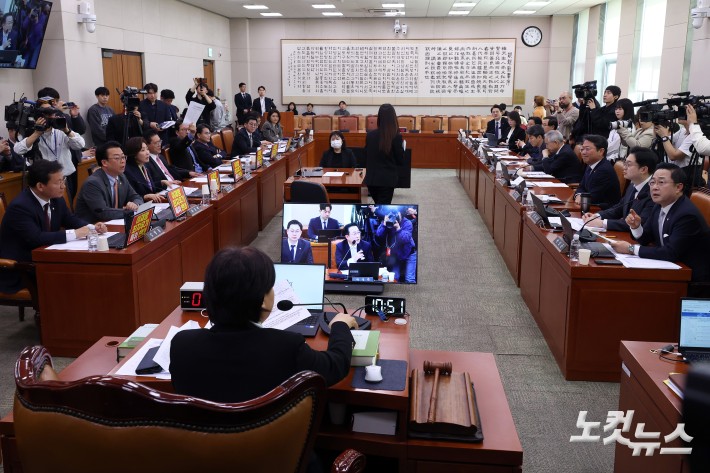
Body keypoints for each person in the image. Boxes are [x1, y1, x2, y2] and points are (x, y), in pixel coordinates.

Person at [170, 246, 357, 403]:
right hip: (276, 438)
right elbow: (335, 366)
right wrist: (340, 326)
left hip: (205, 436)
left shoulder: (182, 344)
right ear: (263, 300)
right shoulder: (287, 347)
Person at [0, 160, 106, 293]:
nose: (63, 186)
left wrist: (92, 227)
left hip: (45, 259)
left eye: (63, 180)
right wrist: (75, 233)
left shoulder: (56, 198)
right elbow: (36, 238)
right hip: (22, 269)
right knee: (76, 276)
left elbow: (69, 219)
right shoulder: (20, 207)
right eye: (58, 182)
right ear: (40, 186)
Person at [610, 163, 710, 282]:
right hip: (669, 269)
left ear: (678, 187)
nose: (654, 187)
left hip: (690, 279)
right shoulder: (659, 205)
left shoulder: (686, 215)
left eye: (661, 182)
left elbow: (670, 252)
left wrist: (631, 249)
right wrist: (636, 227)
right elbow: (646, 238)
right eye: (652, 182)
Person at [13, 108, 85, 200]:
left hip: (65, 178)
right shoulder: (31, 132)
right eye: (48, 118)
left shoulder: (61, 130)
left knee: (66, 205)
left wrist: (67, 130)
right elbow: (18, 150)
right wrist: (37, 133)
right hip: (45, 181)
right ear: (38, 119)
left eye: (53, 117)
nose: (51, 120)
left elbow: (80, 145)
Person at [583, 147, 656, 232]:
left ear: (643, 169)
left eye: (628, 164)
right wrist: (597, 216)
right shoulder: (633, 184)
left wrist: (602, 223)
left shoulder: (653, 192)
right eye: (625, 163)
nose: (624, 167)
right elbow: (619, 208)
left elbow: (639, 224)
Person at [74, 141, 143, 223]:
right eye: (117, 158)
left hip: (114, 223)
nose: (123, 161)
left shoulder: (121, 177)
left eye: (123, 157)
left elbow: (137, 197)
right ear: (104, 162)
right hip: (93, 227)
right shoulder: (92, 183)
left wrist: (135, 205)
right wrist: (129, 211)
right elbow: (103, 212)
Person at [364, 103, 404, 204]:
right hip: (387, 180)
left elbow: (366, 155)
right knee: (383, 207)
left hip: (372, 179)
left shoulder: (370, 135)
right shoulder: (396, 136)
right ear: (393, 118)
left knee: (378, 205)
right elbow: (400, 160)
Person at [654, 114, 705, 188]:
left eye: (684, 112)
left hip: (689, 179)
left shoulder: (695, 136)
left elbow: (673, 156)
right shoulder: (683, 130)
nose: (680, 115)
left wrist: (664, 137)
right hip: (678, 174)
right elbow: (668, 141)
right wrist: (659, 126)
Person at [573, 134, 621, 210]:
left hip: (602, 210)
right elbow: (581, 187)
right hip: (590, 207)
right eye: (582, 149)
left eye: (587, 149)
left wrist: (581, 196)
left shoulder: (604, 170)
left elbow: (593, 197)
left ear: (601, 151)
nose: (583, 152)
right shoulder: (591, 164)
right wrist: (578, 195)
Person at [374, 210, 417, 283]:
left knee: (409, 279)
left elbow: (405, 239)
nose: (394, 217)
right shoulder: (387, 222)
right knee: (394, 278)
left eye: (396, 214)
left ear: (401, 215)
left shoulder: (407, 223)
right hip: (396, 255)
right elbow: (378, 235)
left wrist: (398, 228)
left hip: (409, 253)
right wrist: (384, 224)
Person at [122, 137, 165, 203]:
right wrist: (144, 197)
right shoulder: (127, 171)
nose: (147, 153)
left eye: (147, 149)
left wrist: (160, 183)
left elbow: (148, 186)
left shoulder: (144, 165)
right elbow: (130, 198)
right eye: (143, 150)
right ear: (134, 154)